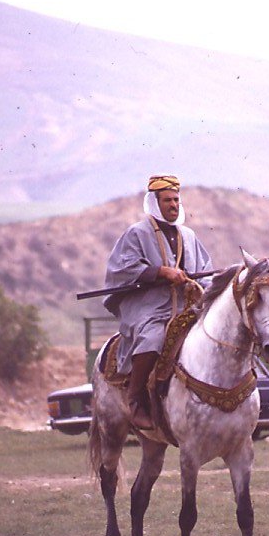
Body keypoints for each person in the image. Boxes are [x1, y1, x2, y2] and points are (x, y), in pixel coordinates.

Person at [102, 174, 213, 429]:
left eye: (176, 200)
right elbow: (123, 267)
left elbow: (206, 268)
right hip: (150, 308)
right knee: (153, 338)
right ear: (154, 202)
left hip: (186, 307)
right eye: (167, 201)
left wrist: (202, 289)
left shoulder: (189, 235)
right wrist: (161, 272)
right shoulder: (136, 233)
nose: (173, 205)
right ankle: (136, 400)